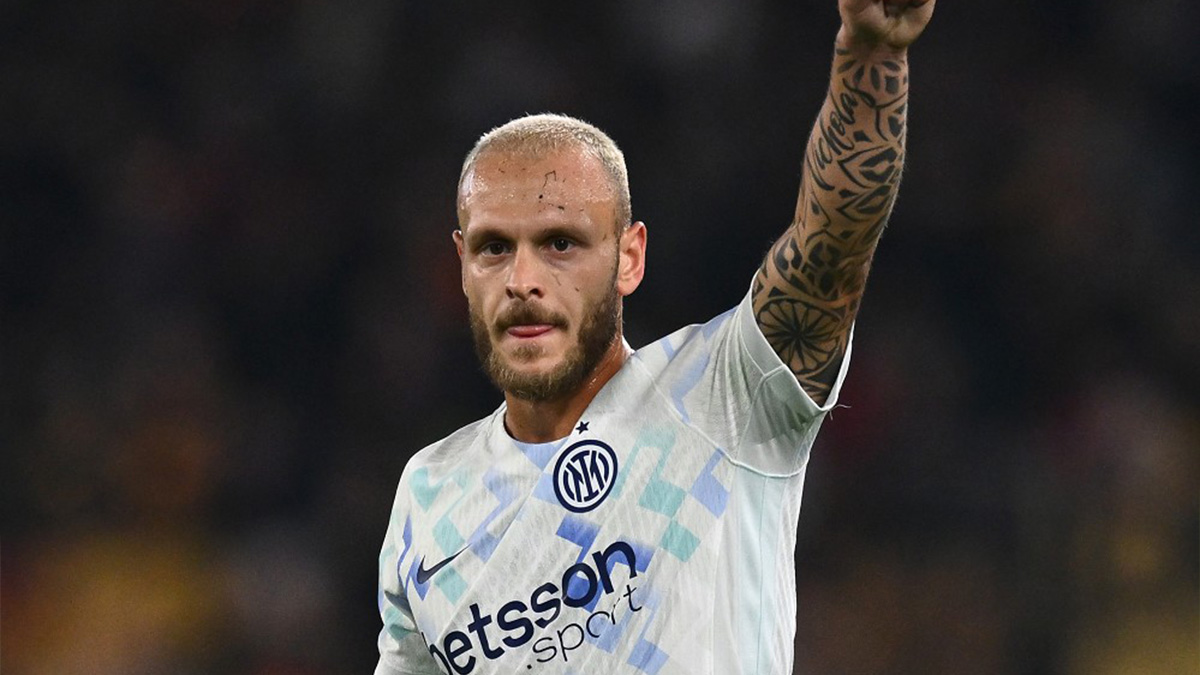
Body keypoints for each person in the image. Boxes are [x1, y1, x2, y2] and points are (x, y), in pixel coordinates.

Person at [375, 1, 935, 673]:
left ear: (629, 258)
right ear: (463, 266)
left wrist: (870, 53)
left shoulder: (722, 395)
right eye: (494, 248)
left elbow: (831, 248)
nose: (522, 280)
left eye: (560, 243)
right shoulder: (429, 493)